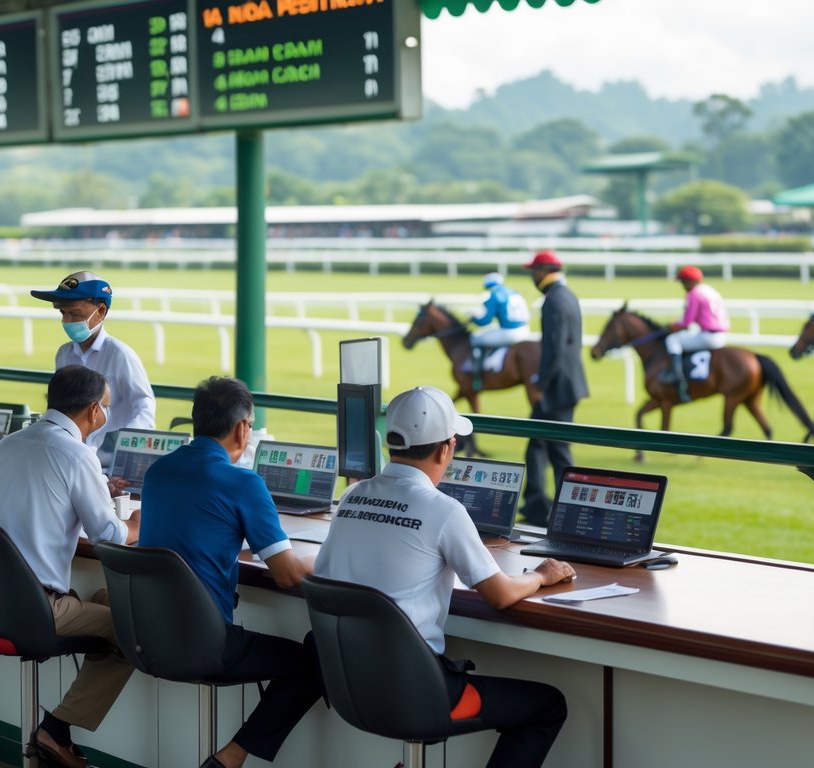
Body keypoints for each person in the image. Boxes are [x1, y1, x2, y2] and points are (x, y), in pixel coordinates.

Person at [315, 385, 574, 768]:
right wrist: (540, 574)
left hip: (346, 687)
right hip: (416, 695)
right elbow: (500, 595)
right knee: (547, 706)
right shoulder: (444, 510)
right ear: (445, 449)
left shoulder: (353, 497)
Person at [139, 376, 322, 768]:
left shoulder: (157, 473)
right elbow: (288, 575)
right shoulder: (243, 483)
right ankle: (230, 758)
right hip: (205, 644)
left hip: (147, 636)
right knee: (313, 662)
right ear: (243, 429)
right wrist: (326, 559)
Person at [0, 365, 139, 768]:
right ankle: (55, 729)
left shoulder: (9, 443)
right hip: (35, 609)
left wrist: (95, 488)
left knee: (107, 602)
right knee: (132, 630)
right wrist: (136, 524)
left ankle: (55, 733)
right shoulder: (77, 453)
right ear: (91, 410)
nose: (105, 414)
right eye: (104, 407)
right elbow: (109, 537)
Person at [30, 271, 156, 468]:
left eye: (76, 314)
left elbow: (144, 406)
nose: (67, 321)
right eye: (63, 313)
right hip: (68, 457)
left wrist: (123, 445)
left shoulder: (121, 355)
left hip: (108, 463)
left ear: (101, 312)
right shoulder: (63, 354)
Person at [519, 251, 588, 527]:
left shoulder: (553, 300)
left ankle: (561, 508)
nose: (532, 277)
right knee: (542, 445)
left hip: (556, 387)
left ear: (543, 271)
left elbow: (555, 348)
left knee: (553, 450)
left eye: (533, 271)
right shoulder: (567, 295)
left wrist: (540, 385)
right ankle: (545, 506)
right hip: (568, 383)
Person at [660, 266, 730, 401]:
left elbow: (687, 322)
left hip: (708, 336)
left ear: (689, 281)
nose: (682, 286)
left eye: (683, 282)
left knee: (672, 340)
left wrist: (673, 326)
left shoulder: (694, 294)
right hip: (721, 335)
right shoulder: (710, 290)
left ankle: (676, 375)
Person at [469, 272, 531, 386]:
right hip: (525, 330)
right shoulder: (513, 292)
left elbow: (485, 321)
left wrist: (473, 318)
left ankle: (477, 378)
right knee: (492, 330)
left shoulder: (494, 295)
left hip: (510, 333)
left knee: (475, 339)